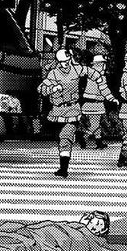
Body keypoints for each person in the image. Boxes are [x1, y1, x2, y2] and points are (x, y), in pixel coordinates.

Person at [38, 48, 99, 178]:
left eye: (66, 61)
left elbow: (89, 71)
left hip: (72, 110)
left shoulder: (76, 69)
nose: (64, 64)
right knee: (62, 138)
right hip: (57, 111)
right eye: (62, 62)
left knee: (65, 137)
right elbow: (41, 89)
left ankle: (63, 169)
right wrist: (53, 88)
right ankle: (64, 165)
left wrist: (98, 78)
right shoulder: (54, 73)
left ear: (70, 59)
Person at [78, 53, 118, 149]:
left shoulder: (89, 76)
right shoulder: (100, 77)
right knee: (95, 124)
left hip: (89, 103)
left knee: (95, 123)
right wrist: (112, 98)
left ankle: (98, 142)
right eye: (102, 64)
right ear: (97, 65)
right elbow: (104, 90)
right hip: (96, 104)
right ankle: (84, 136)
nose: (104, 67)